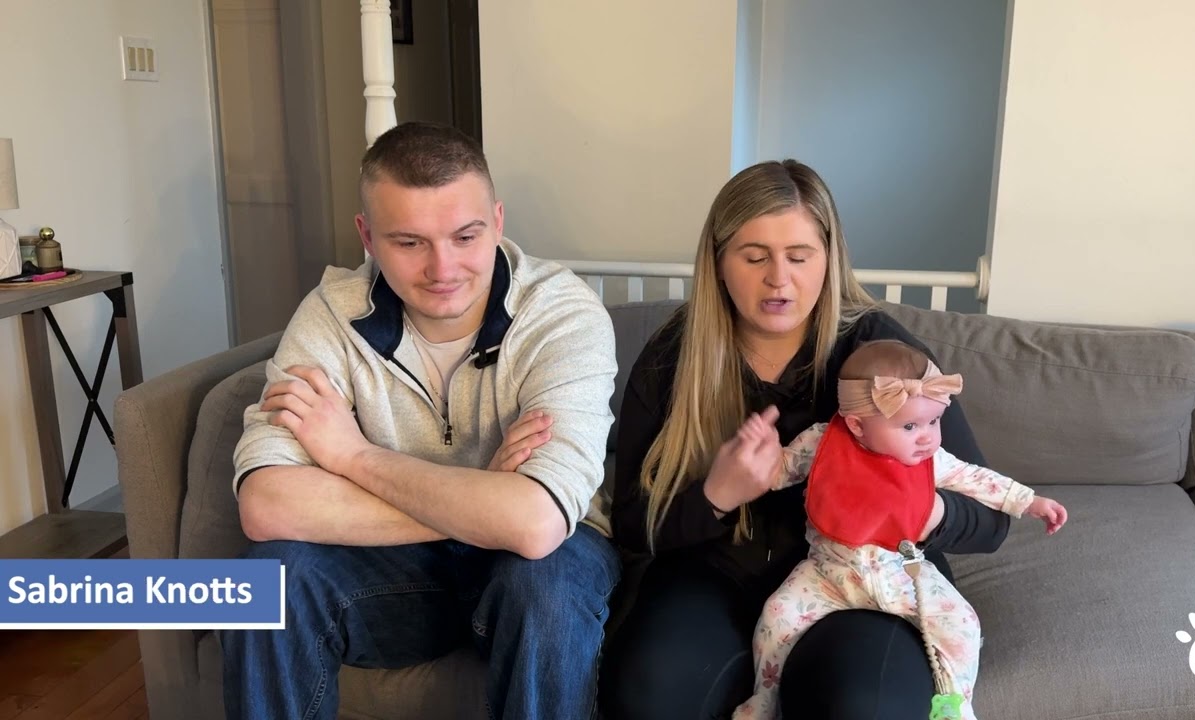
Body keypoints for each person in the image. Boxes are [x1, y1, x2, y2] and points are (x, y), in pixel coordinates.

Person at [218, 121, 621, 720]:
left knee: (546, 581)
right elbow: (267, 506)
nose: (442, 268)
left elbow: (536, 524)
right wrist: (486, 491)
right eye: (409, 242)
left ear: (499, 221)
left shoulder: (561, 314)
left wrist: (354, 457)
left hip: (540, 567)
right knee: (270, 578)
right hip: (399, 577)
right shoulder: (329, 317)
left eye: (465, 236)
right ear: (367, 237)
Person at [600, 159, 1016, 720]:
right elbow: (631, 524)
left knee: (860, 706)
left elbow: (992, 521)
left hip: (862, 583)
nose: (779, 278)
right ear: (719, 262)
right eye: (754, 257)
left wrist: (927, 512)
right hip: (710, 576)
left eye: (799, 257)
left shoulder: (881, 354)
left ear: (828, 259)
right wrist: (715, 495)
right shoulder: (674, 356)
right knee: (649, 694)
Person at [731, 340, 1068, 720]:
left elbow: (974, 478)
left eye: (934, 421)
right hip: (827, 571)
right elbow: (781, 471)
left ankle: (955, 706)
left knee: (961, 625)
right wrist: (761, 456)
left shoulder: (929, 459)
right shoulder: (823, 443)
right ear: (856, 424)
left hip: (903, 571)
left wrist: (1029, 501)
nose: (927, 436)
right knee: (777, 616)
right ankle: (763, 700)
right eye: (909, 426)